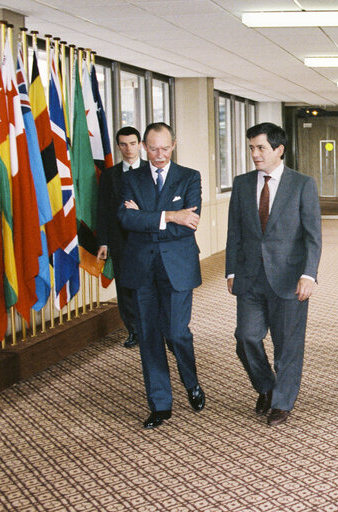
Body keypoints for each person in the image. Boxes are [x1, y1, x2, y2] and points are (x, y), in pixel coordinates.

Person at [225, 122, 322, 427]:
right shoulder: (241, 184)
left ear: (279, 149)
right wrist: (230, 270)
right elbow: (235, 232)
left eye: (261, 148)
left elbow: (312, 235)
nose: (255, 154)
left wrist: (309, 274)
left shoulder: (302, 184)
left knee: (287, 346)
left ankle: (282, 402)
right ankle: (266, 386)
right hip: (250, 276)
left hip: (290, 277)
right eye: (252, 147)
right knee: (246, 337)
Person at [118, 122, 205, 429]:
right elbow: (126, 218)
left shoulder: (189, 177)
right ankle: (160, 404)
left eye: (165, 148)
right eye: (152, 148)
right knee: (149, 335)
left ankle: (191, 380)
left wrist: (148, 218)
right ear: (143, 146)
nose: (159, 155)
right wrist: (169, 215)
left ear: (174, 145)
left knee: (176, 331)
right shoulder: (131, 179)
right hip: (142, 267)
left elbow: (190, 222)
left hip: (178, 268)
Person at [97, 126, 145, 349]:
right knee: (125, 289)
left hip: (146, 241)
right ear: (118, 146)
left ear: (140, 144)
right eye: (124, 144)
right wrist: (104, 241)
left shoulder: (151, 170)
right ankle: (133, 330)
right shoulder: (109, 175)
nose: (128, 149)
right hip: (120, 242)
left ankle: (151, 329)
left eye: (133, 143)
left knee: (148, 286)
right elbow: (103, 210)